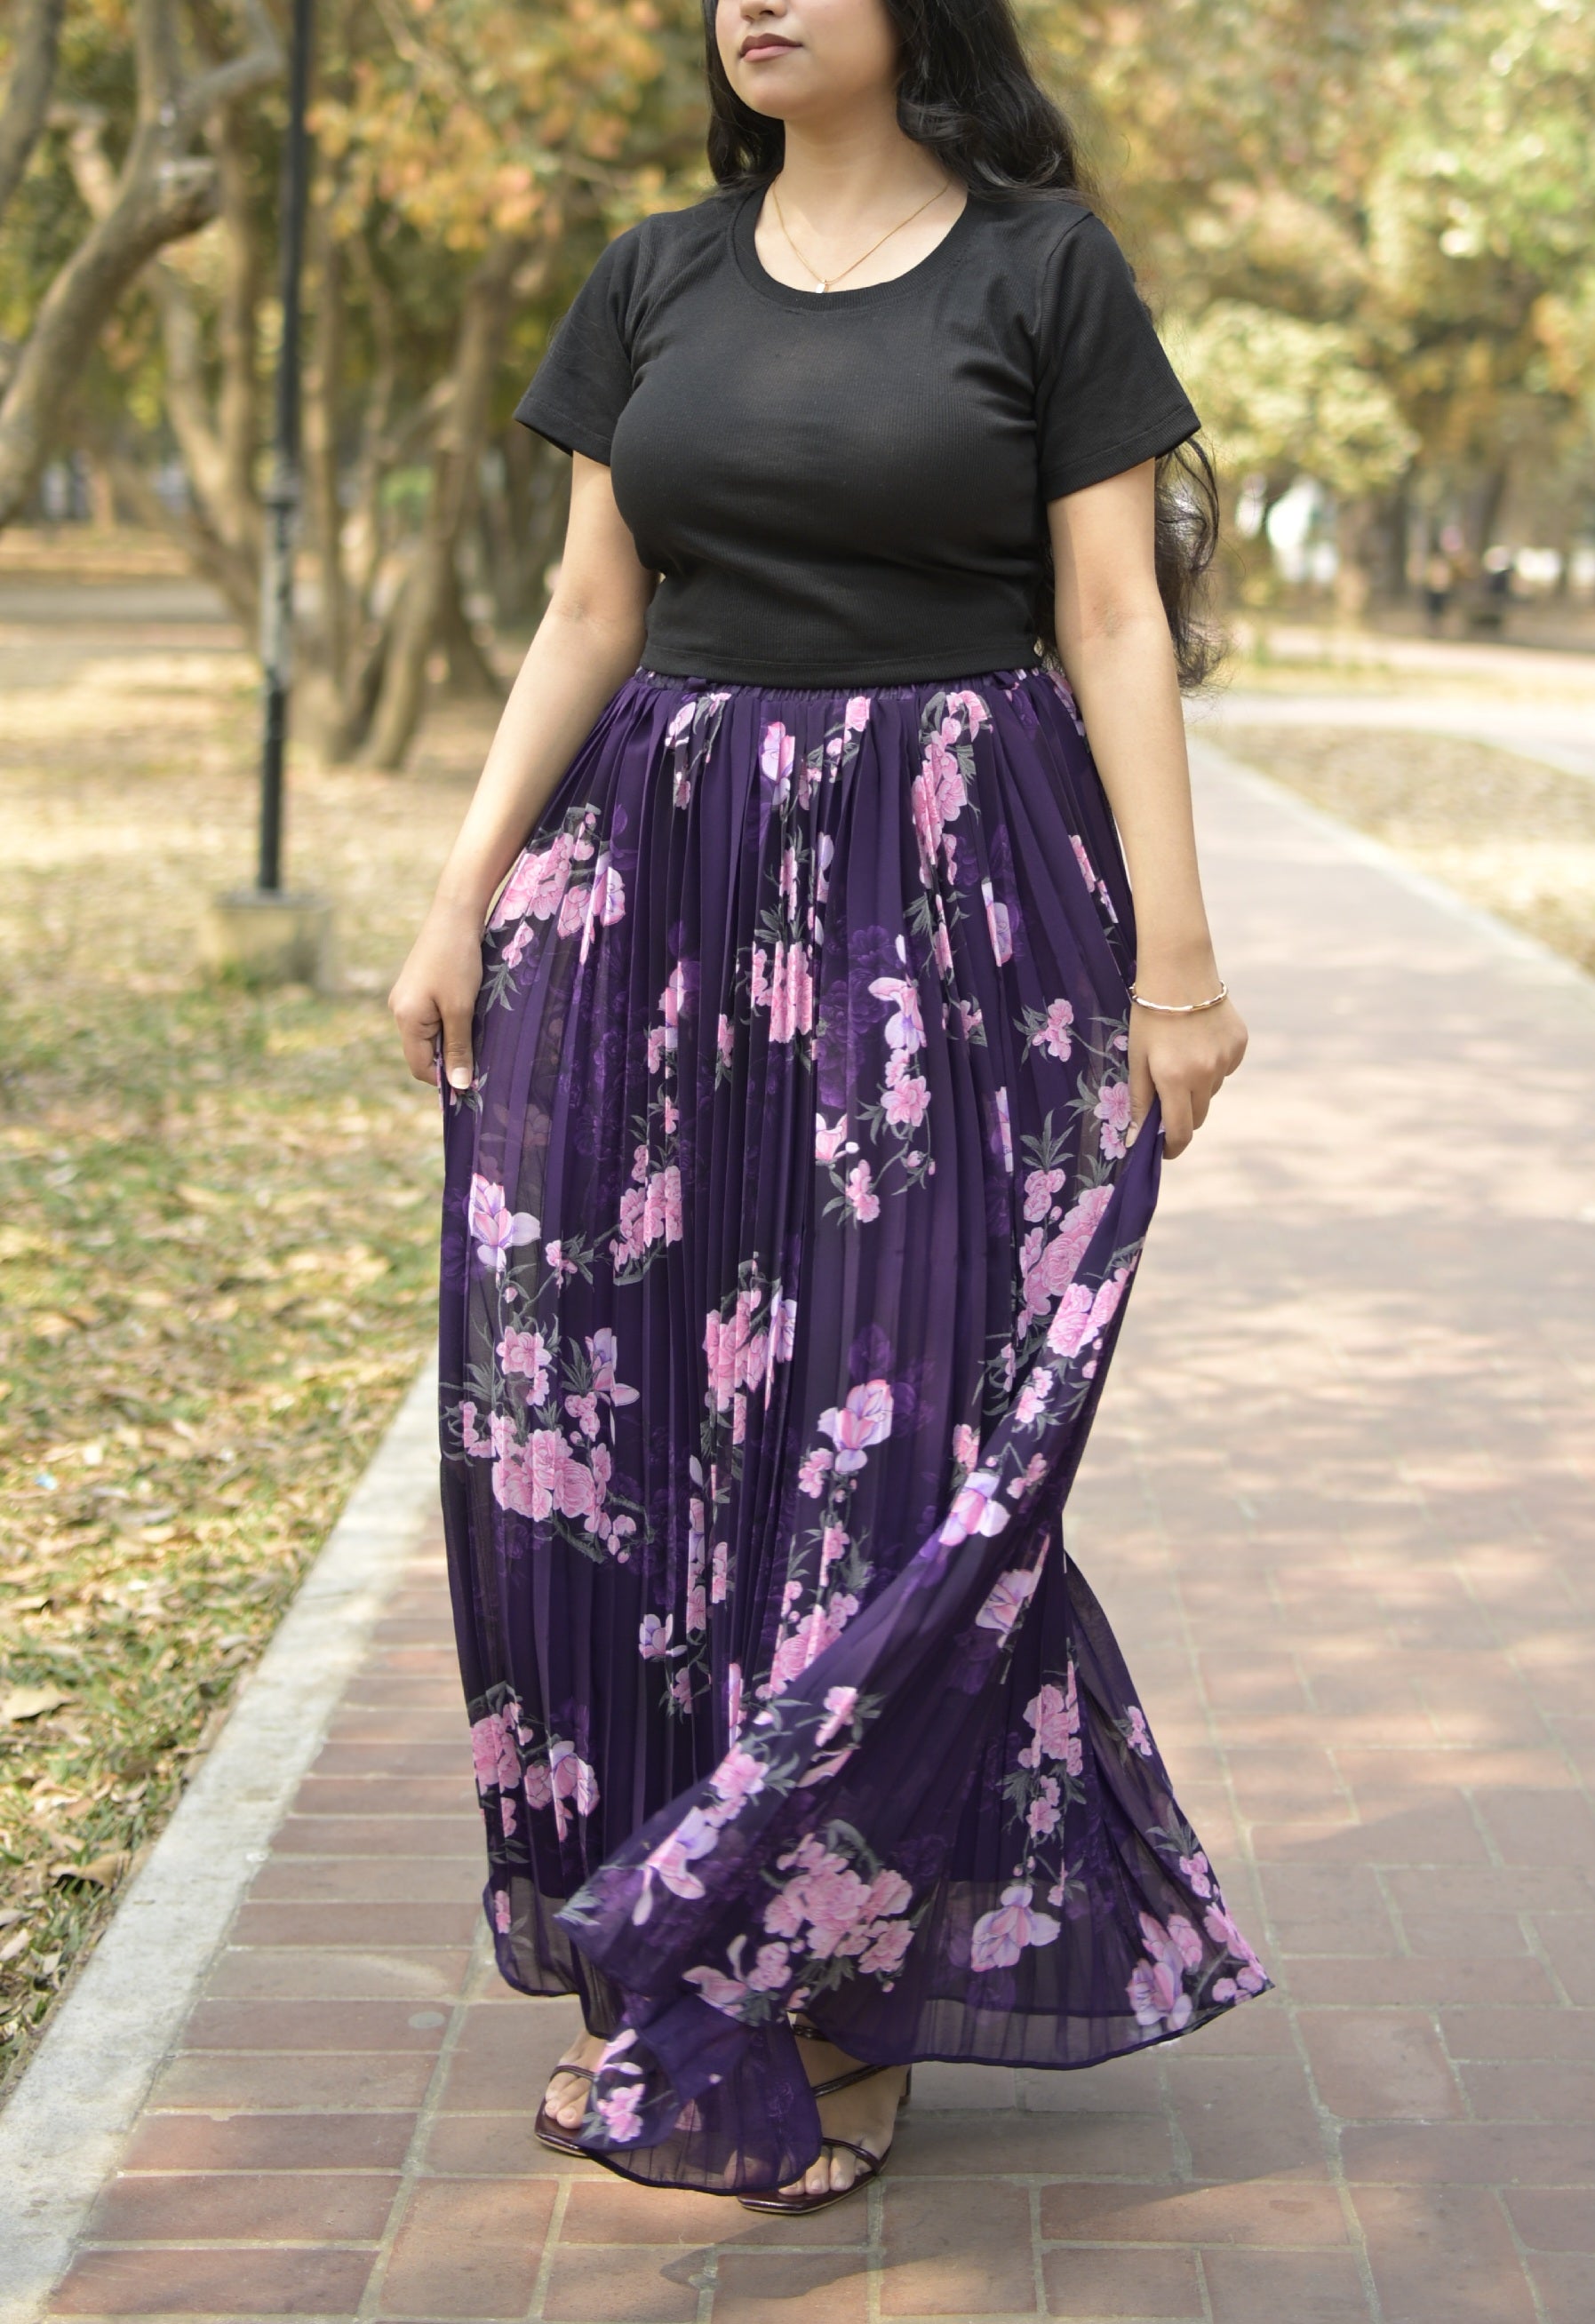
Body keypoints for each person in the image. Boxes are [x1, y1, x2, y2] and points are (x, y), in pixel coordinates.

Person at [390, 0, 1268, 2215]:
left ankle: (824, 1986)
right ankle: (675, 1942)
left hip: (953, 909)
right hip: (656, 898)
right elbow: (593, 605)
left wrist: (1177, 960)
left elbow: (1112, 616)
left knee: (906, 1452)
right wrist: (459, 891)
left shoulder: (1041, 271)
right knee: (613, 1438)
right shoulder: (651, 278)